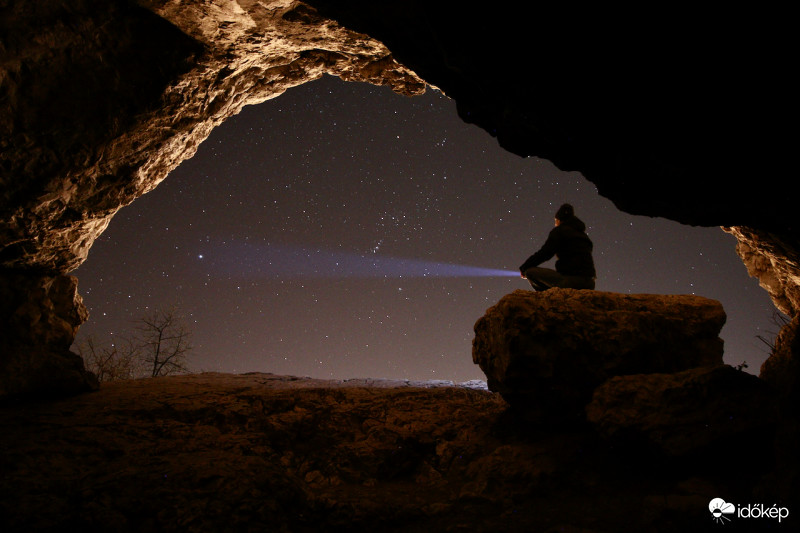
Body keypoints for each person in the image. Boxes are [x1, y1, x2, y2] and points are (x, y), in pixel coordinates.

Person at [519, 203, 596, 291]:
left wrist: (524, 267)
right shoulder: (584, 235)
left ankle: (547, 298)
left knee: (530, 272)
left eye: (555, 221)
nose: (555, 223)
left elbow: (545, 253)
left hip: (571, 281)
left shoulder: (560, 231)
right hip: (590, 283)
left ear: (559, 220)